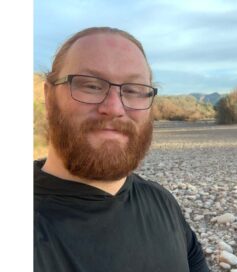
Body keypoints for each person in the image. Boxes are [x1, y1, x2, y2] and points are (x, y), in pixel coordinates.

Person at [34, 27, 210, 272]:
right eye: (91, 85)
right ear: (49, 97)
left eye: (133, 90)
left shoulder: (162, 202)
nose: (115, 107)